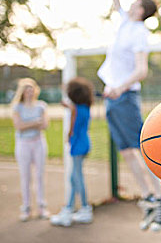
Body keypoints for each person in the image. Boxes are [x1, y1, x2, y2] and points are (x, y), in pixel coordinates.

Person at [96, 0, 161, 232]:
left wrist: (118, 87)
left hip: (124, 96)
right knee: (126, 151)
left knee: (141, 148)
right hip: (113, 96)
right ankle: (148, 197)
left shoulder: (139, 32)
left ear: (140, 9)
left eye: (136, 2)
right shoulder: (125, 23)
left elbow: (141, 71)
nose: (131, 3)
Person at [50, 77, 94, 227]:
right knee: (73, 177)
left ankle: (79, 208)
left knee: (76, 178)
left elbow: (71, 129)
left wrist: (68, 137)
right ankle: (72, 208)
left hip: (78, 145)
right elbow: (73, 109)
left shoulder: (76, 109)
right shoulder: (85, 107)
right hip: (84, 143)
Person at [11, 78, 50, 221]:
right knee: (25, 176)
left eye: (31, 89)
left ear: (35, 90)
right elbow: (19, 126)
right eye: (26, 89)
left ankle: (42, 206)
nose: (29, 91)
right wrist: (35, 122)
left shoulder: (41, 106)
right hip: (23, 144)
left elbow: (45, 125)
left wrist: (28, 124)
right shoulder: (17, 107)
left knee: (39, 176)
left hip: (38, 143)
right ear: (22, 92)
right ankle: (26, 207)